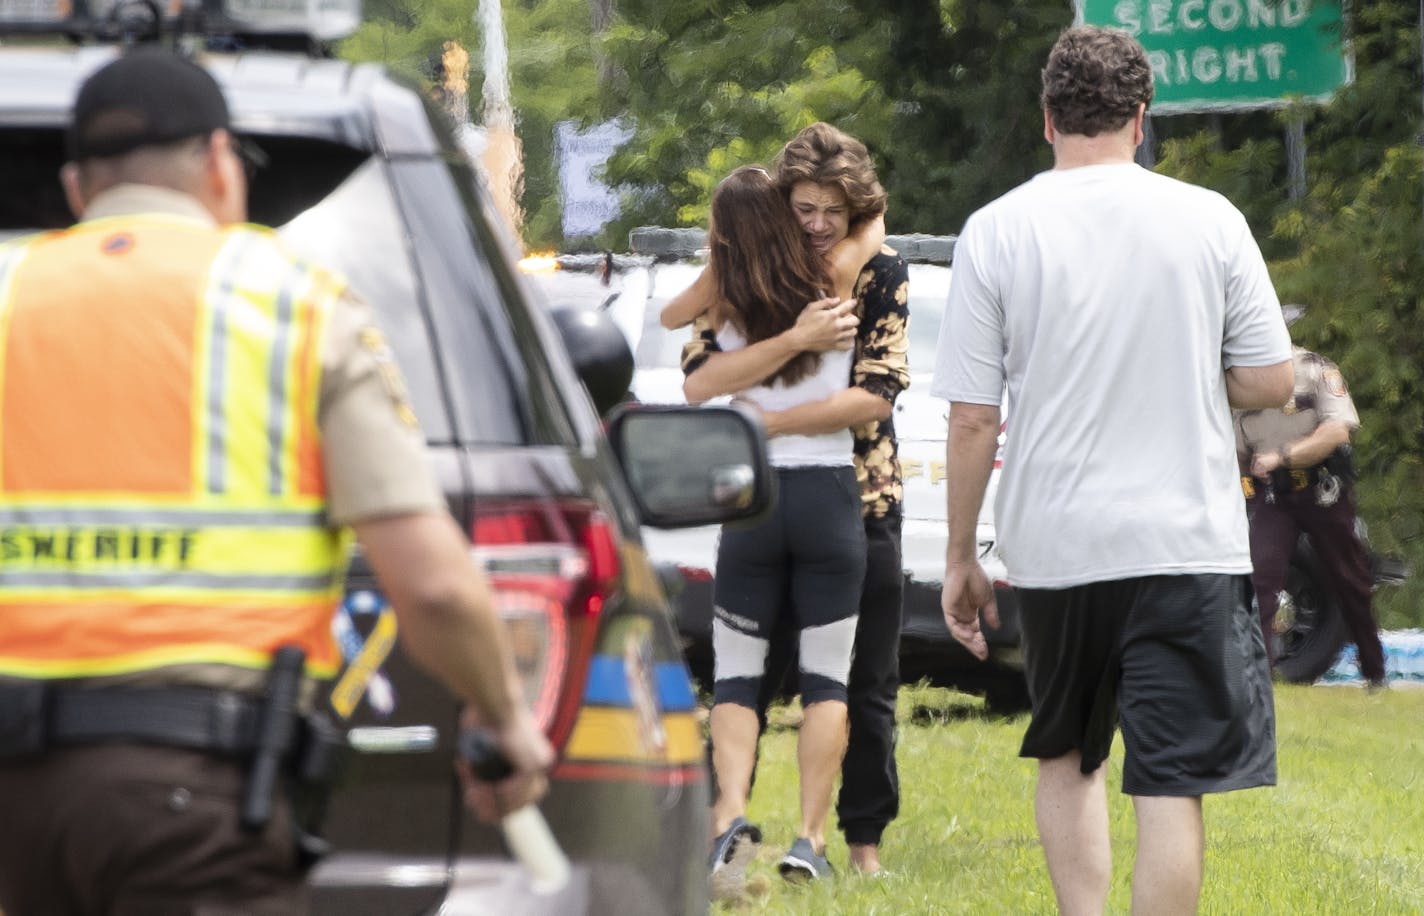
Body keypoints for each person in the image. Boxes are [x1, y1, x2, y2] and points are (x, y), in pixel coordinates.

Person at [0, 48, 552, 914]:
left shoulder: (6, 293)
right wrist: (502, 715)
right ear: (221, 164)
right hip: (194, 805)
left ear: (78, 187)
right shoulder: (294, 304)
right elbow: (436, 588)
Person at [931, 25, 1293, 915]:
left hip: (1057, 545)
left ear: (1047, 119)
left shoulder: (997, 228)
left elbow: (975, 415)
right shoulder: (1210, 218)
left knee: (1069, 752)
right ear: (1142, 118)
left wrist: (960, 557)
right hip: (1185, 542)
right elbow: (1270, 379)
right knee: (1170, 779)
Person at [674, 122, 910, 880]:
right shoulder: (815, 273)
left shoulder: (864, 274)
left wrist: (763, 422)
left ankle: (849, 842)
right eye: (800, 207)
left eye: (830, 213)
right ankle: (772, 834)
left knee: (846, 685)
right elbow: (698, 370)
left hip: (850, 499)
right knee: (823, 680)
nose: (814, 225)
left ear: (853, 209)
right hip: (823, 498)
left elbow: (875, 396)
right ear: (779, 204)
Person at [1235, 346, 1387, 690]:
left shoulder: (1315, 370)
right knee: (1260, 579)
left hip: (1322, 492)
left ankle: (1375, 673)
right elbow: (1236, 450)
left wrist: (1284, 456)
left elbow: (1337, 431)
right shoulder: (1235, 382)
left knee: (1350, 580)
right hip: (1273, 496)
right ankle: (1255, 683)